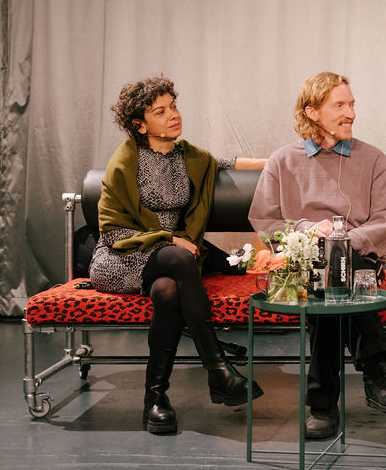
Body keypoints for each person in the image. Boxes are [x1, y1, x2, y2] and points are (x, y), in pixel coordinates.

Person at [89, 76, 267, 435]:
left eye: (173, 105)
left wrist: (279, 160)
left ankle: (155, 399)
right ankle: (217, 368)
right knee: (181, 259)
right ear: (140, 125)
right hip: (122, 258)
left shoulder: (191, 157)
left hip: (172, 260)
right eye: (161, 111)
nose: (173, 114)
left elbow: (224, 162)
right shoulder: (124, 162)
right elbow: (112, 231)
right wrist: (167, 237)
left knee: (168, 292)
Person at [249, 71, 386, 439]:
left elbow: (385, 217)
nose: (351, 113)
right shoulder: (283, 161)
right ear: (312, 112)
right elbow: (264, 220)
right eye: (339, 105)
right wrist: (306, 233)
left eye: (352, 104)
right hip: (303, 262)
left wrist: (345, 241)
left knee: (334, 274)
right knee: (327, 274)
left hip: (359, 259)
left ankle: (323, 406)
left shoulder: (372, 159)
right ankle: (377, 374)